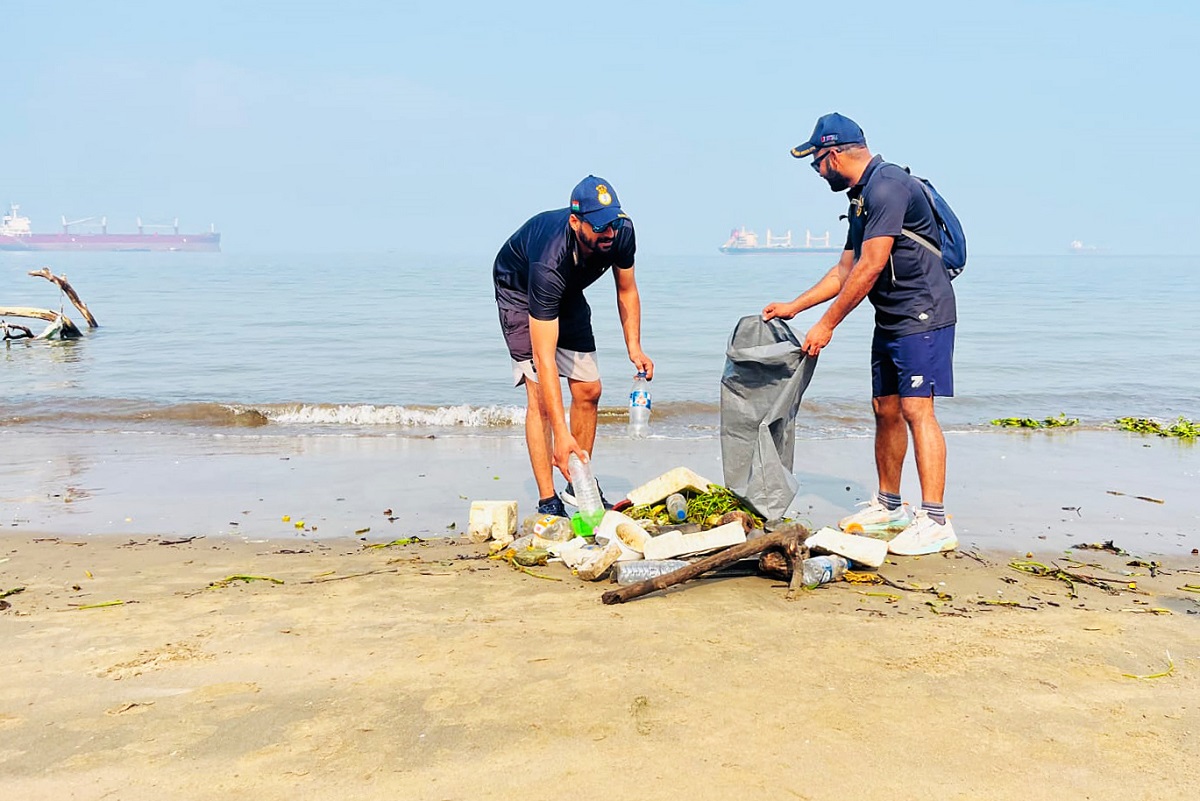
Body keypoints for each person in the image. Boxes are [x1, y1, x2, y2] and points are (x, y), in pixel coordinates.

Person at [762, 113, 958, 555]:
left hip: (923, 312)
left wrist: (827, 325)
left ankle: (935, 520)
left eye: (815, 162)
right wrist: (795, 307)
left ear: (832, 154)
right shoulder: (861, 197)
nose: (816, 171)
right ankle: (890, 507)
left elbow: (871, 266)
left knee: (916, 409)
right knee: (884, 407)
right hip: (891, 315)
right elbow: (846, 269)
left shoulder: (888, 186)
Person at [493, 175, 654, 517]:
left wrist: (634, 347)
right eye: (599, 227)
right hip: (521, 289)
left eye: (612, 223)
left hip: (567, 291)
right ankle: (548, 499)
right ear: (575, 222)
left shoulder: (621, 233)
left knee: (589, 390)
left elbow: (626, 289)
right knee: (539, 396)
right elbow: (545, 359)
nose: (608, 233)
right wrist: (561, 435)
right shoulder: (549, 261)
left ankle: (576, 485)